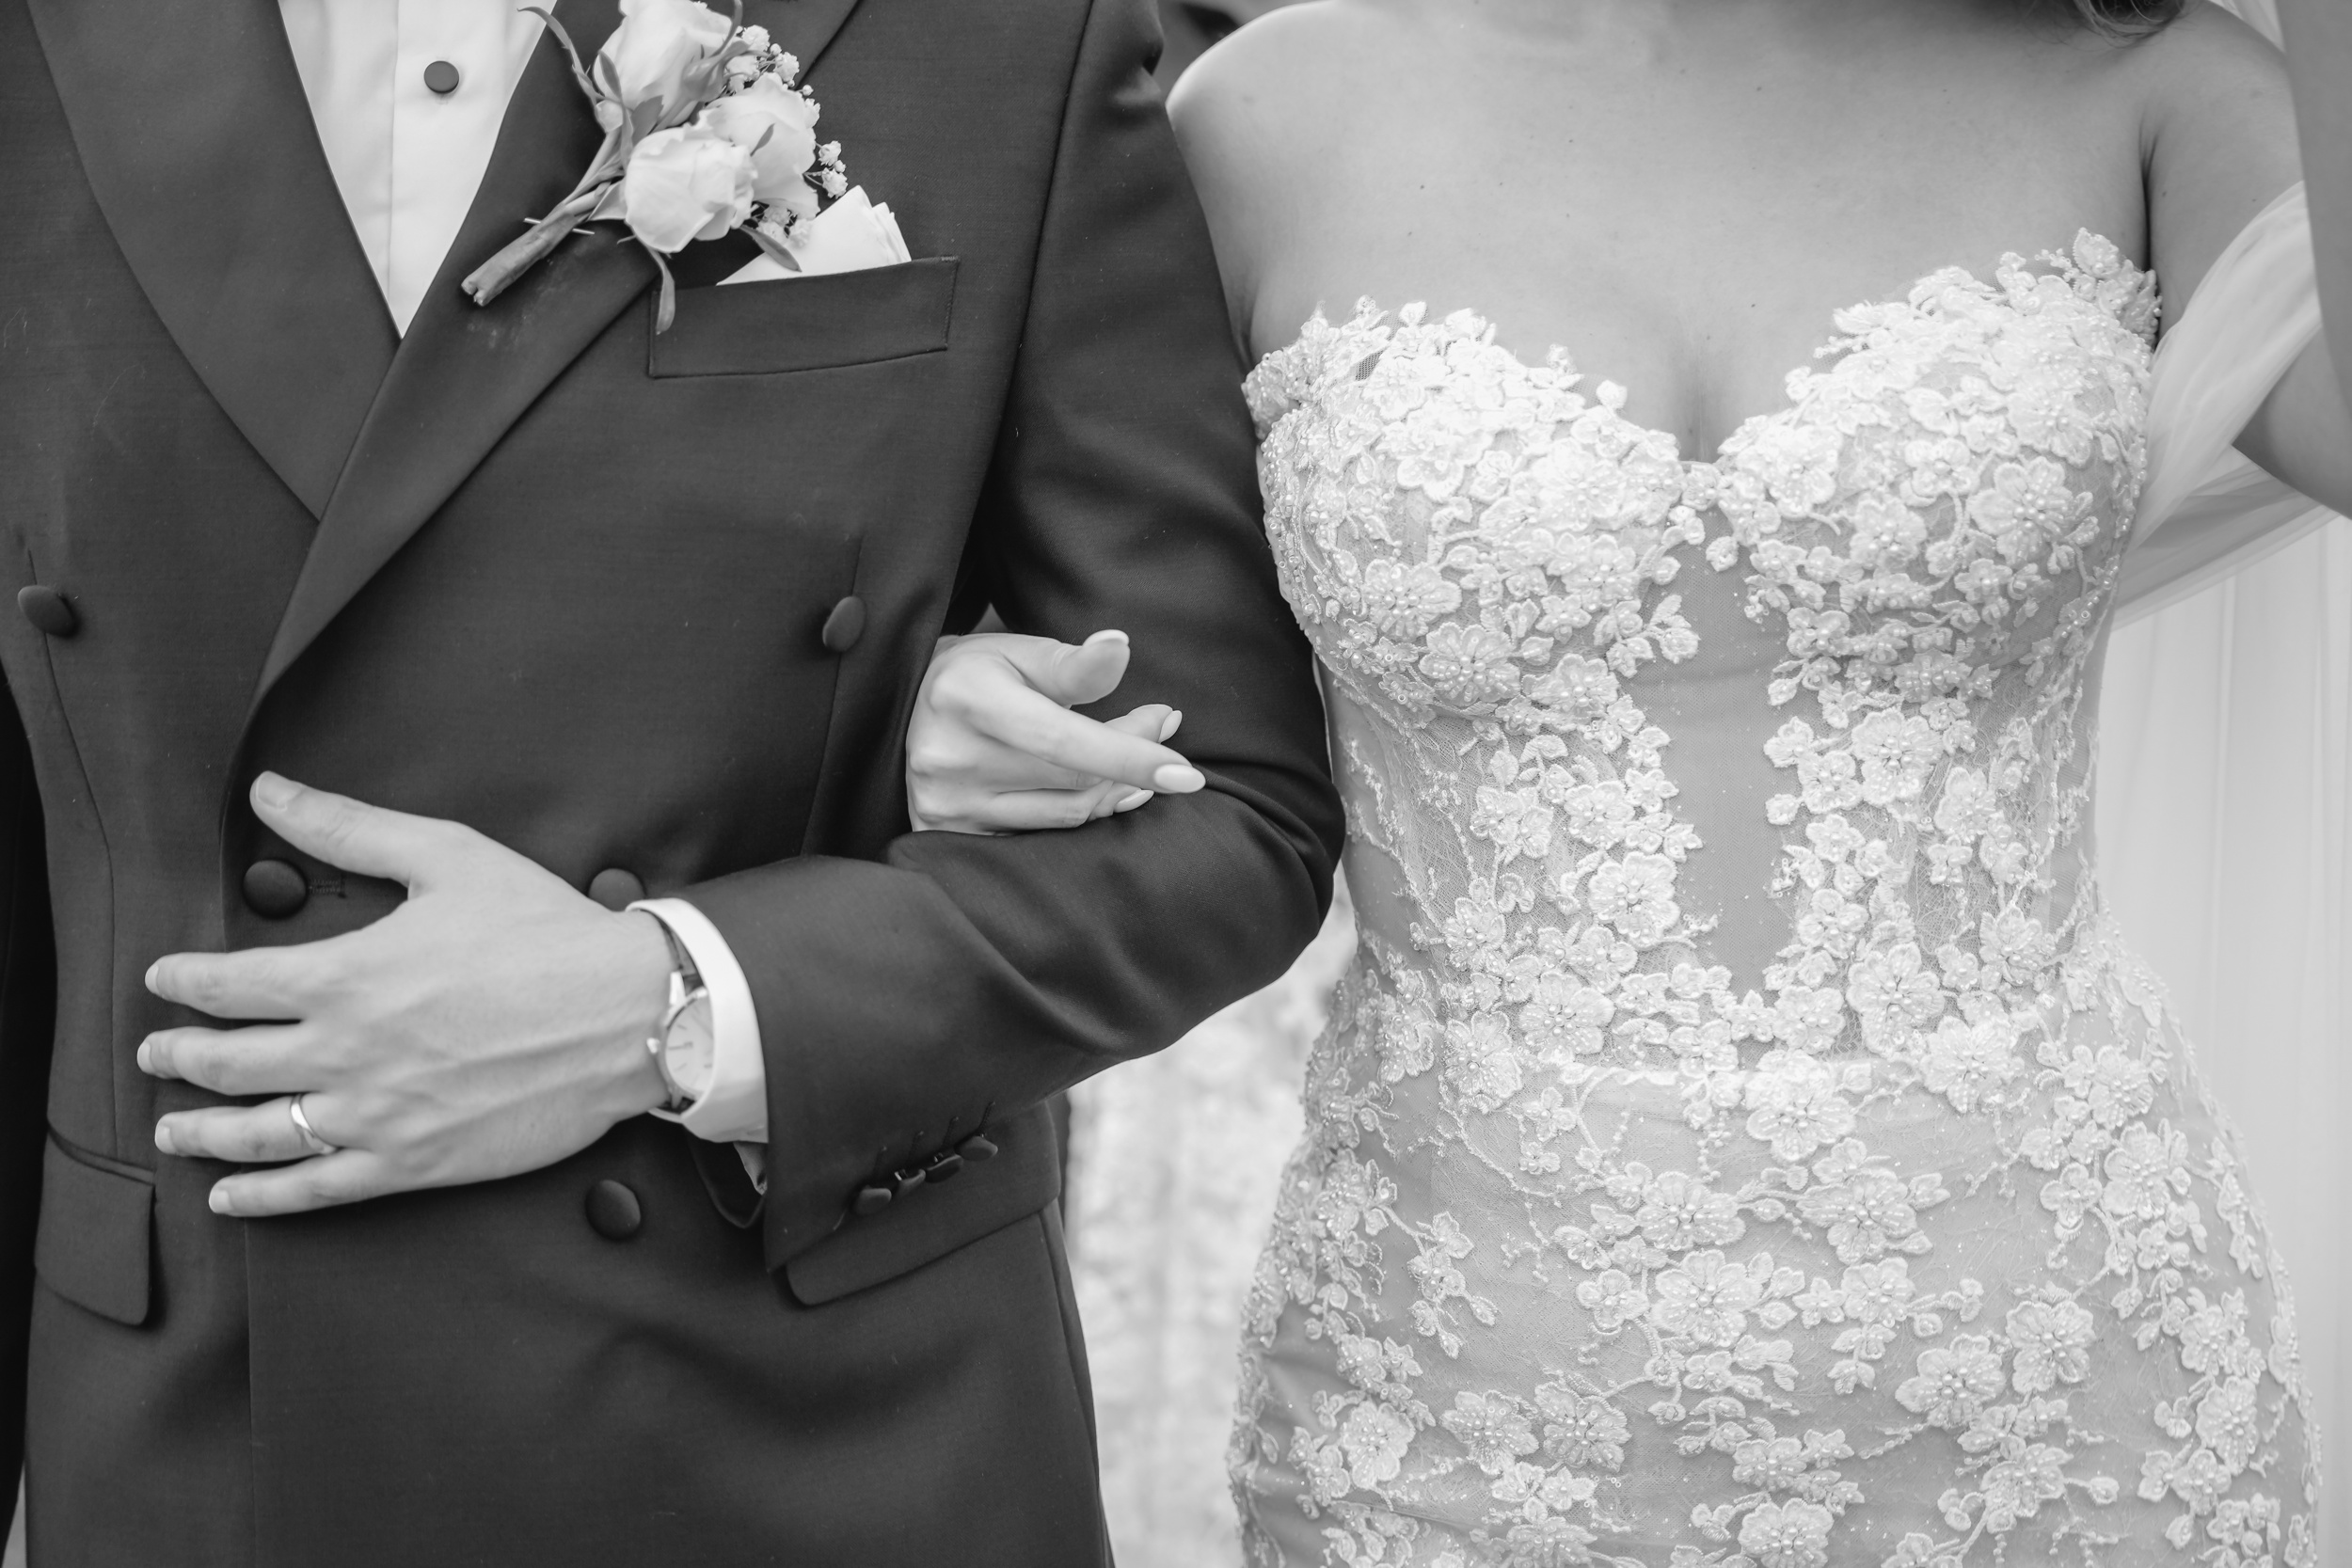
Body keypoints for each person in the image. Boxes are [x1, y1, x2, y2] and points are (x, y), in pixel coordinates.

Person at [906, 0, 2352, 1559]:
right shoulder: (1254, 117)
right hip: (1466, 1386)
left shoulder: (2147, 83)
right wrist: (939, 681)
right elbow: (1051, 591)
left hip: (2074, 1362)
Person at [0, 0, 1343, 1561]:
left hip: (816, 1439)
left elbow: (1228, 810)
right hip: (205, 1444)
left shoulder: (1000, 29)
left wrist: (675, 1002)